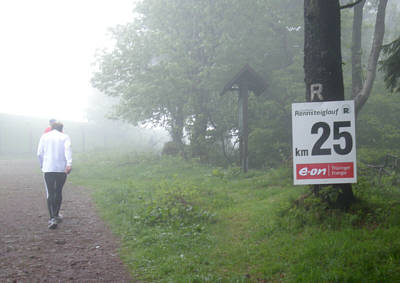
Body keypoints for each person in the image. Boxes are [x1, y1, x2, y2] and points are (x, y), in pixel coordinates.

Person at [37, 121, 72, 229]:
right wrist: (69, 163)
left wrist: (42, 164)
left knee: (50, 192)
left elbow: (39, 153)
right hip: (61, 169)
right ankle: (56, 214)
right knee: (58, 191)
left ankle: (52, 218)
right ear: (62, 128)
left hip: (48, 168)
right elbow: (68, 150)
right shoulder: (65, 137)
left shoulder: (44, 136)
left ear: (51, 127)